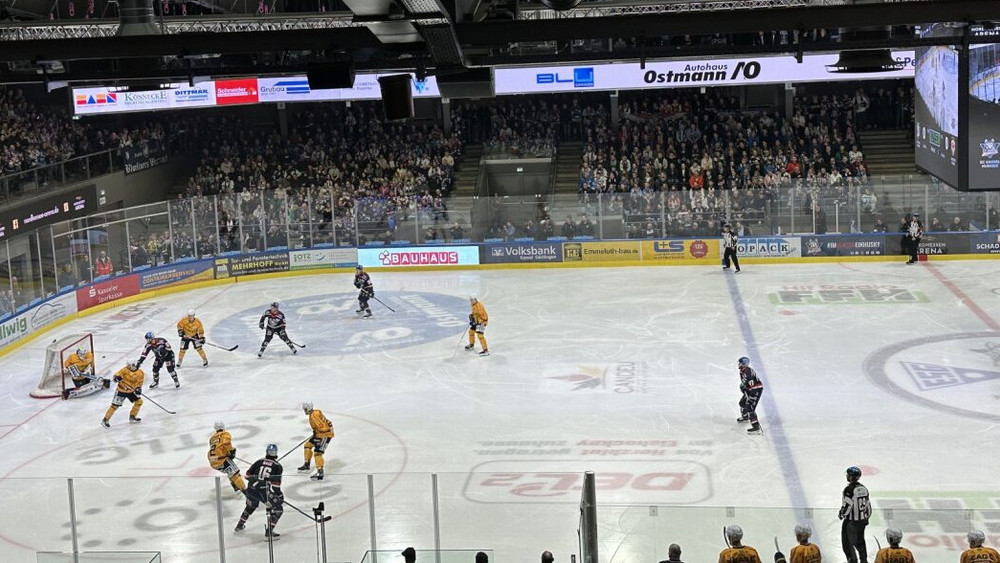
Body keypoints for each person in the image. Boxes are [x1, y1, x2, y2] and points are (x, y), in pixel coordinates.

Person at [236, 443, 284, 539]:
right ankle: (269, 531)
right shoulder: (277, 466)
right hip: (263, 492)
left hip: (250, 489)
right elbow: (275, 486)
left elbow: (248, 475)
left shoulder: (259, 461)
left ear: (267, 452)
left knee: (251, 505)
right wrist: (279, 496)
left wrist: (257, 479)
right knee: (278, 509)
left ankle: (240, 525)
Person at [839, 466, 871, 563]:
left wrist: (842, 513)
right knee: (860, 541)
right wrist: (866, 517)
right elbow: (868, 505)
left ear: (851, 477)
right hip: (862, 520)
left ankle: (852, 561)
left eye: (848, 475)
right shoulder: (864, 488)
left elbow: (848, 504)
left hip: (851, 522)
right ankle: (864, 560)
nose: (847, 476)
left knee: (848, 543)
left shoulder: (849, 489)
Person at [297, 402, 334, 481]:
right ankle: (307, 465)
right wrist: (316, 433)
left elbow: (324, 428)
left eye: (305, 409)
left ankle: (320, 473)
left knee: (317, 453)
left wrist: (318, 435)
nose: (304, 411)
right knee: (307, 445)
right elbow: (327, 423)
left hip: (325, 436)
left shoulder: (314, 416)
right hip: (319, 434)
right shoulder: (316, 412)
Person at [101, 361, 144, 428]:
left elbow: (140, 383)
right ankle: (105, 420)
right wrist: (116, 378)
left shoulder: (140, 373)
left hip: (131, 391)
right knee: (114, 406)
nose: (129, 366)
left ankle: (132, 417)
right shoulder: (124, 370)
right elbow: (116, 375)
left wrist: (138, 389)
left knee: (139, 402)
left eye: (130, 365)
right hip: (121, 391)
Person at [208, 420, 247, 493]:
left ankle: (236, 487)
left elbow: (217, 448)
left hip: (213, 462)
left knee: (229, 471)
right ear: (223, 426)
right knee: (235, 474)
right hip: (222, 460)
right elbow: (226, 443)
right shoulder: (224, 434)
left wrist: (227, 453)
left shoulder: (211, 438)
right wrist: (231, 451)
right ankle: (246, 493)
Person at [736, 356, 763, 434]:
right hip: (750, 389)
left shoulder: (748, 373)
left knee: (749, 407)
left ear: (745, 364)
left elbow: (754, 386)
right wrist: (743, 386)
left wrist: (751, 396)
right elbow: (746, 383)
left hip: (756, 390)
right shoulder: (742, 371)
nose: (739, 364)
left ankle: (756, 427)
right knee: (742, 403)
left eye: (741, 363)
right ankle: (745, 417)